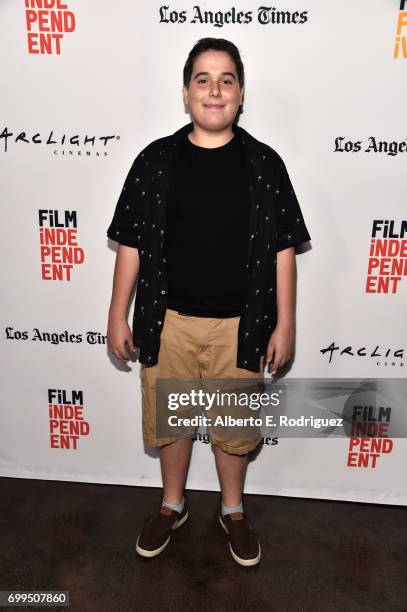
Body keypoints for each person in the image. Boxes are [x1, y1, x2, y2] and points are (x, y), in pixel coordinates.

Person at [106, 37, 311, 567]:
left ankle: (233, 511)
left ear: (241, 94)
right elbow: (130, 243)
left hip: (241, 327)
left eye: (226, 80)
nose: (214, 90)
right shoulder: (155, 161)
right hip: (166, 322)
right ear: (185, 92)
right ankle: (171, 505)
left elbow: (282, 251)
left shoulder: (265, 165)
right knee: (171, 422)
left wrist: (285, 323)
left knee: (234, 432)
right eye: (203, 79)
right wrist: (115, 313)